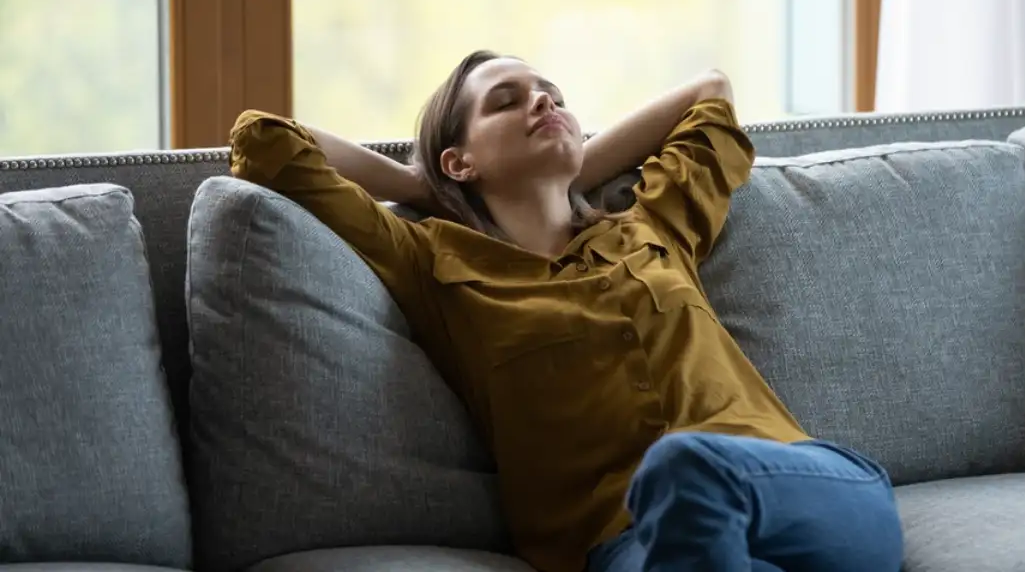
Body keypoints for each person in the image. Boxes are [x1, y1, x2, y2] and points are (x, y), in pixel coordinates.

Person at [229, 50, 904, 572]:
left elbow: (710, 93)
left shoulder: (653, 225)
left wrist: (569, 164)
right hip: (628, 543)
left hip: (806, 493)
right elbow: (266, 138)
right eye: (507, 101)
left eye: (552, 94)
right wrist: (421, 187)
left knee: (685, 464)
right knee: (684, 490)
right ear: (459, 161)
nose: (543, 100)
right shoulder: (434, 265)